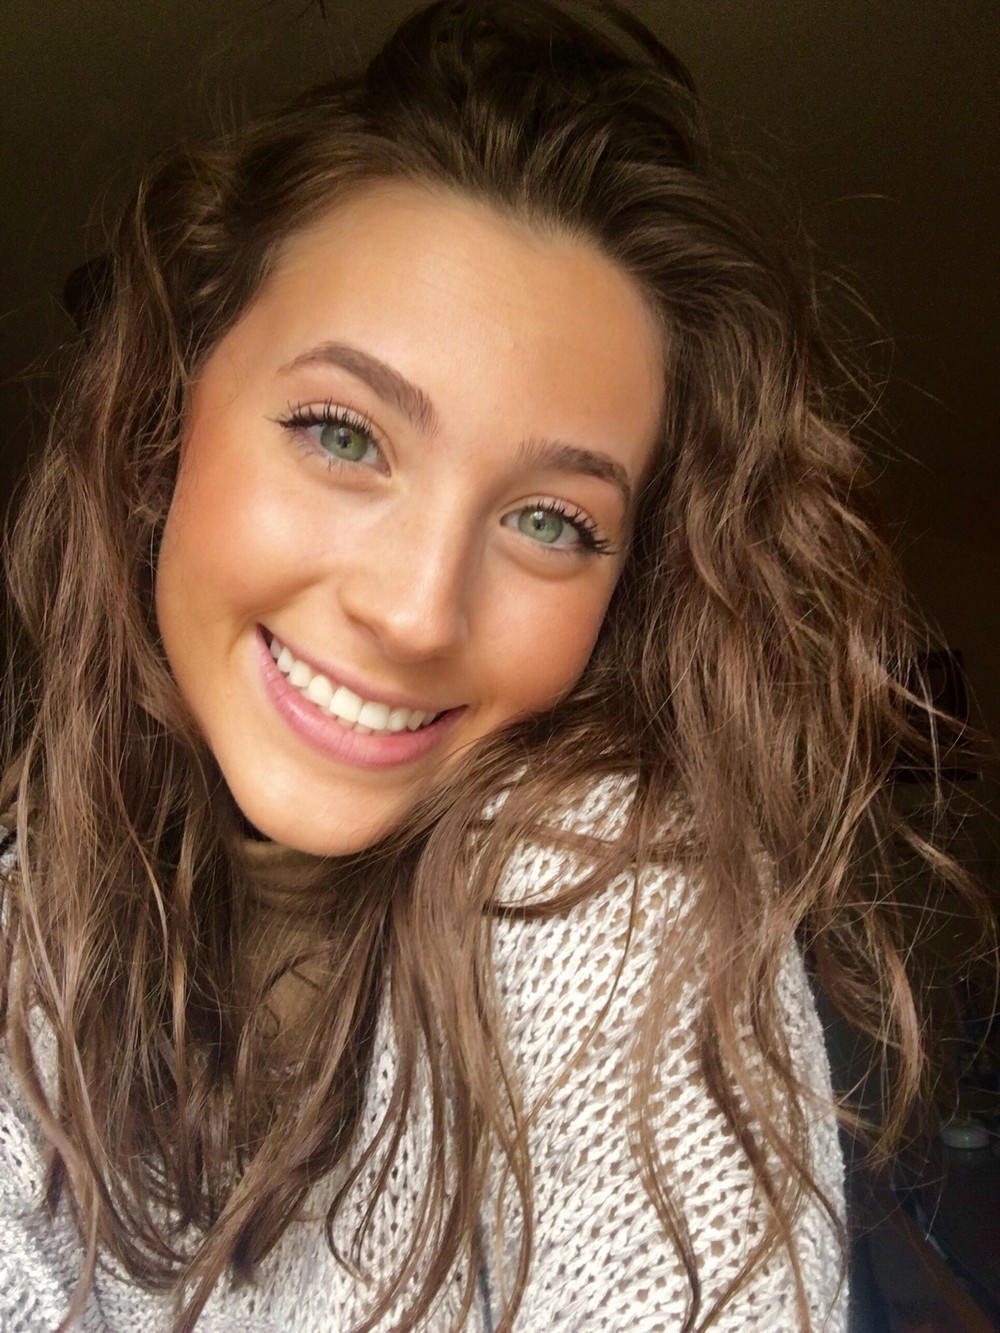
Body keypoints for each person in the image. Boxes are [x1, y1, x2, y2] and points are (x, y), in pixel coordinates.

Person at [0, 1, 985, 1329]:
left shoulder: (608, 887)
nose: (418, 612)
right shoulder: (32, 925)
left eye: (550, 522)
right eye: (343, 433)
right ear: (170, 408)